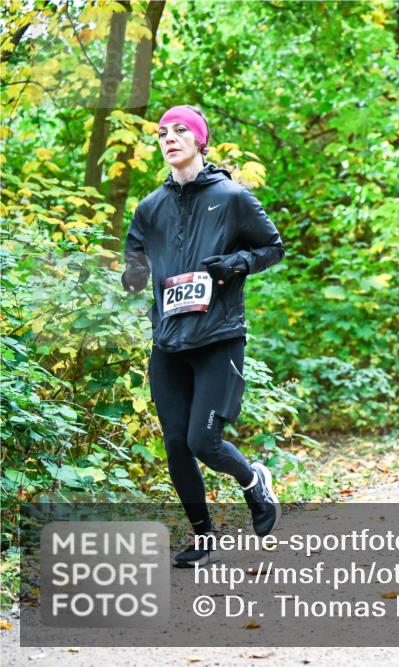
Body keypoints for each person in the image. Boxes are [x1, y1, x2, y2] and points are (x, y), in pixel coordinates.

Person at [121, 105, 285, 567]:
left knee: (203, 442)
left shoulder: (231, 197)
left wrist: (238, 263)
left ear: (199, 140)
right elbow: (134, 256)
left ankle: (254, 482)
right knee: (176, 444)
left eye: (179, 131)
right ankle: (203, 537)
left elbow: (272, 247)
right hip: (169, 341)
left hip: (218, 337)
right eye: (162, 133)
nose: (169, 139)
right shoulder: (149, 207)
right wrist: (132, 274)